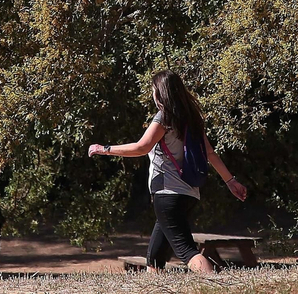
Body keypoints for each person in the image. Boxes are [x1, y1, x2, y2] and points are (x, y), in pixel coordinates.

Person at [88, 70, 247, 273]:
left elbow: (141, 147)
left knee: (187, 252)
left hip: (167, 193)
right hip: (189, 194)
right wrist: (230, 181)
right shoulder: (192, 119)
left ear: (160, 93)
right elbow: (210, 153)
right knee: (154, 258)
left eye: (154, 91)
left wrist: (105, 149)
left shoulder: (165, 117)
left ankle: (215, 286)